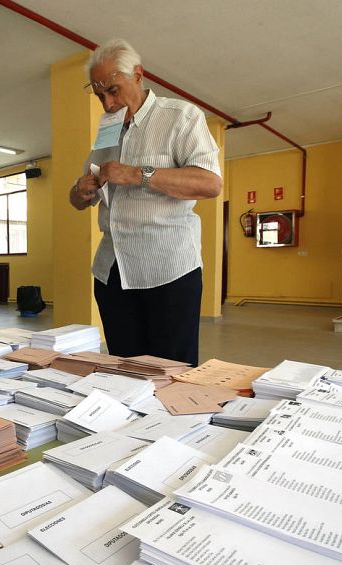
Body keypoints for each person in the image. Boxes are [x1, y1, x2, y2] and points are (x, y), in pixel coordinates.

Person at [69, 39, 222, 367]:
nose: (108, 103)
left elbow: (210, 183)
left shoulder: (179, 117)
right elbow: (82, 198)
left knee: (171, 374)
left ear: (138, 75)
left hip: (168, 270)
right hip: (112, 272)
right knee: (125, 371)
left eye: (113, 90)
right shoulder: (106, 132)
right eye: (99, 96)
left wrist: (138, 174)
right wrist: (79, 192)